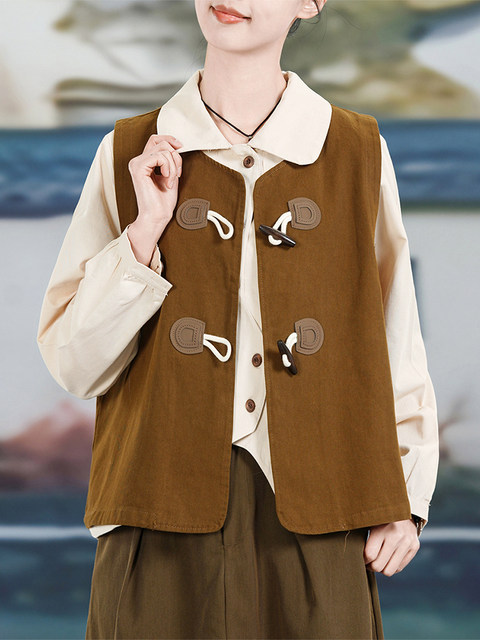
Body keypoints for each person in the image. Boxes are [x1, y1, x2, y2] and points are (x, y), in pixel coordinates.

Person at [37, 0, 439, 638]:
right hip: (156, 507)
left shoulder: (357, 150)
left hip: (326, 508)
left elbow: (397, 333)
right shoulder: (128, 151)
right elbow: (74, 364)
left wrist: (406, 492)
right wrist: (145, 233)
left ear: (310, 3)